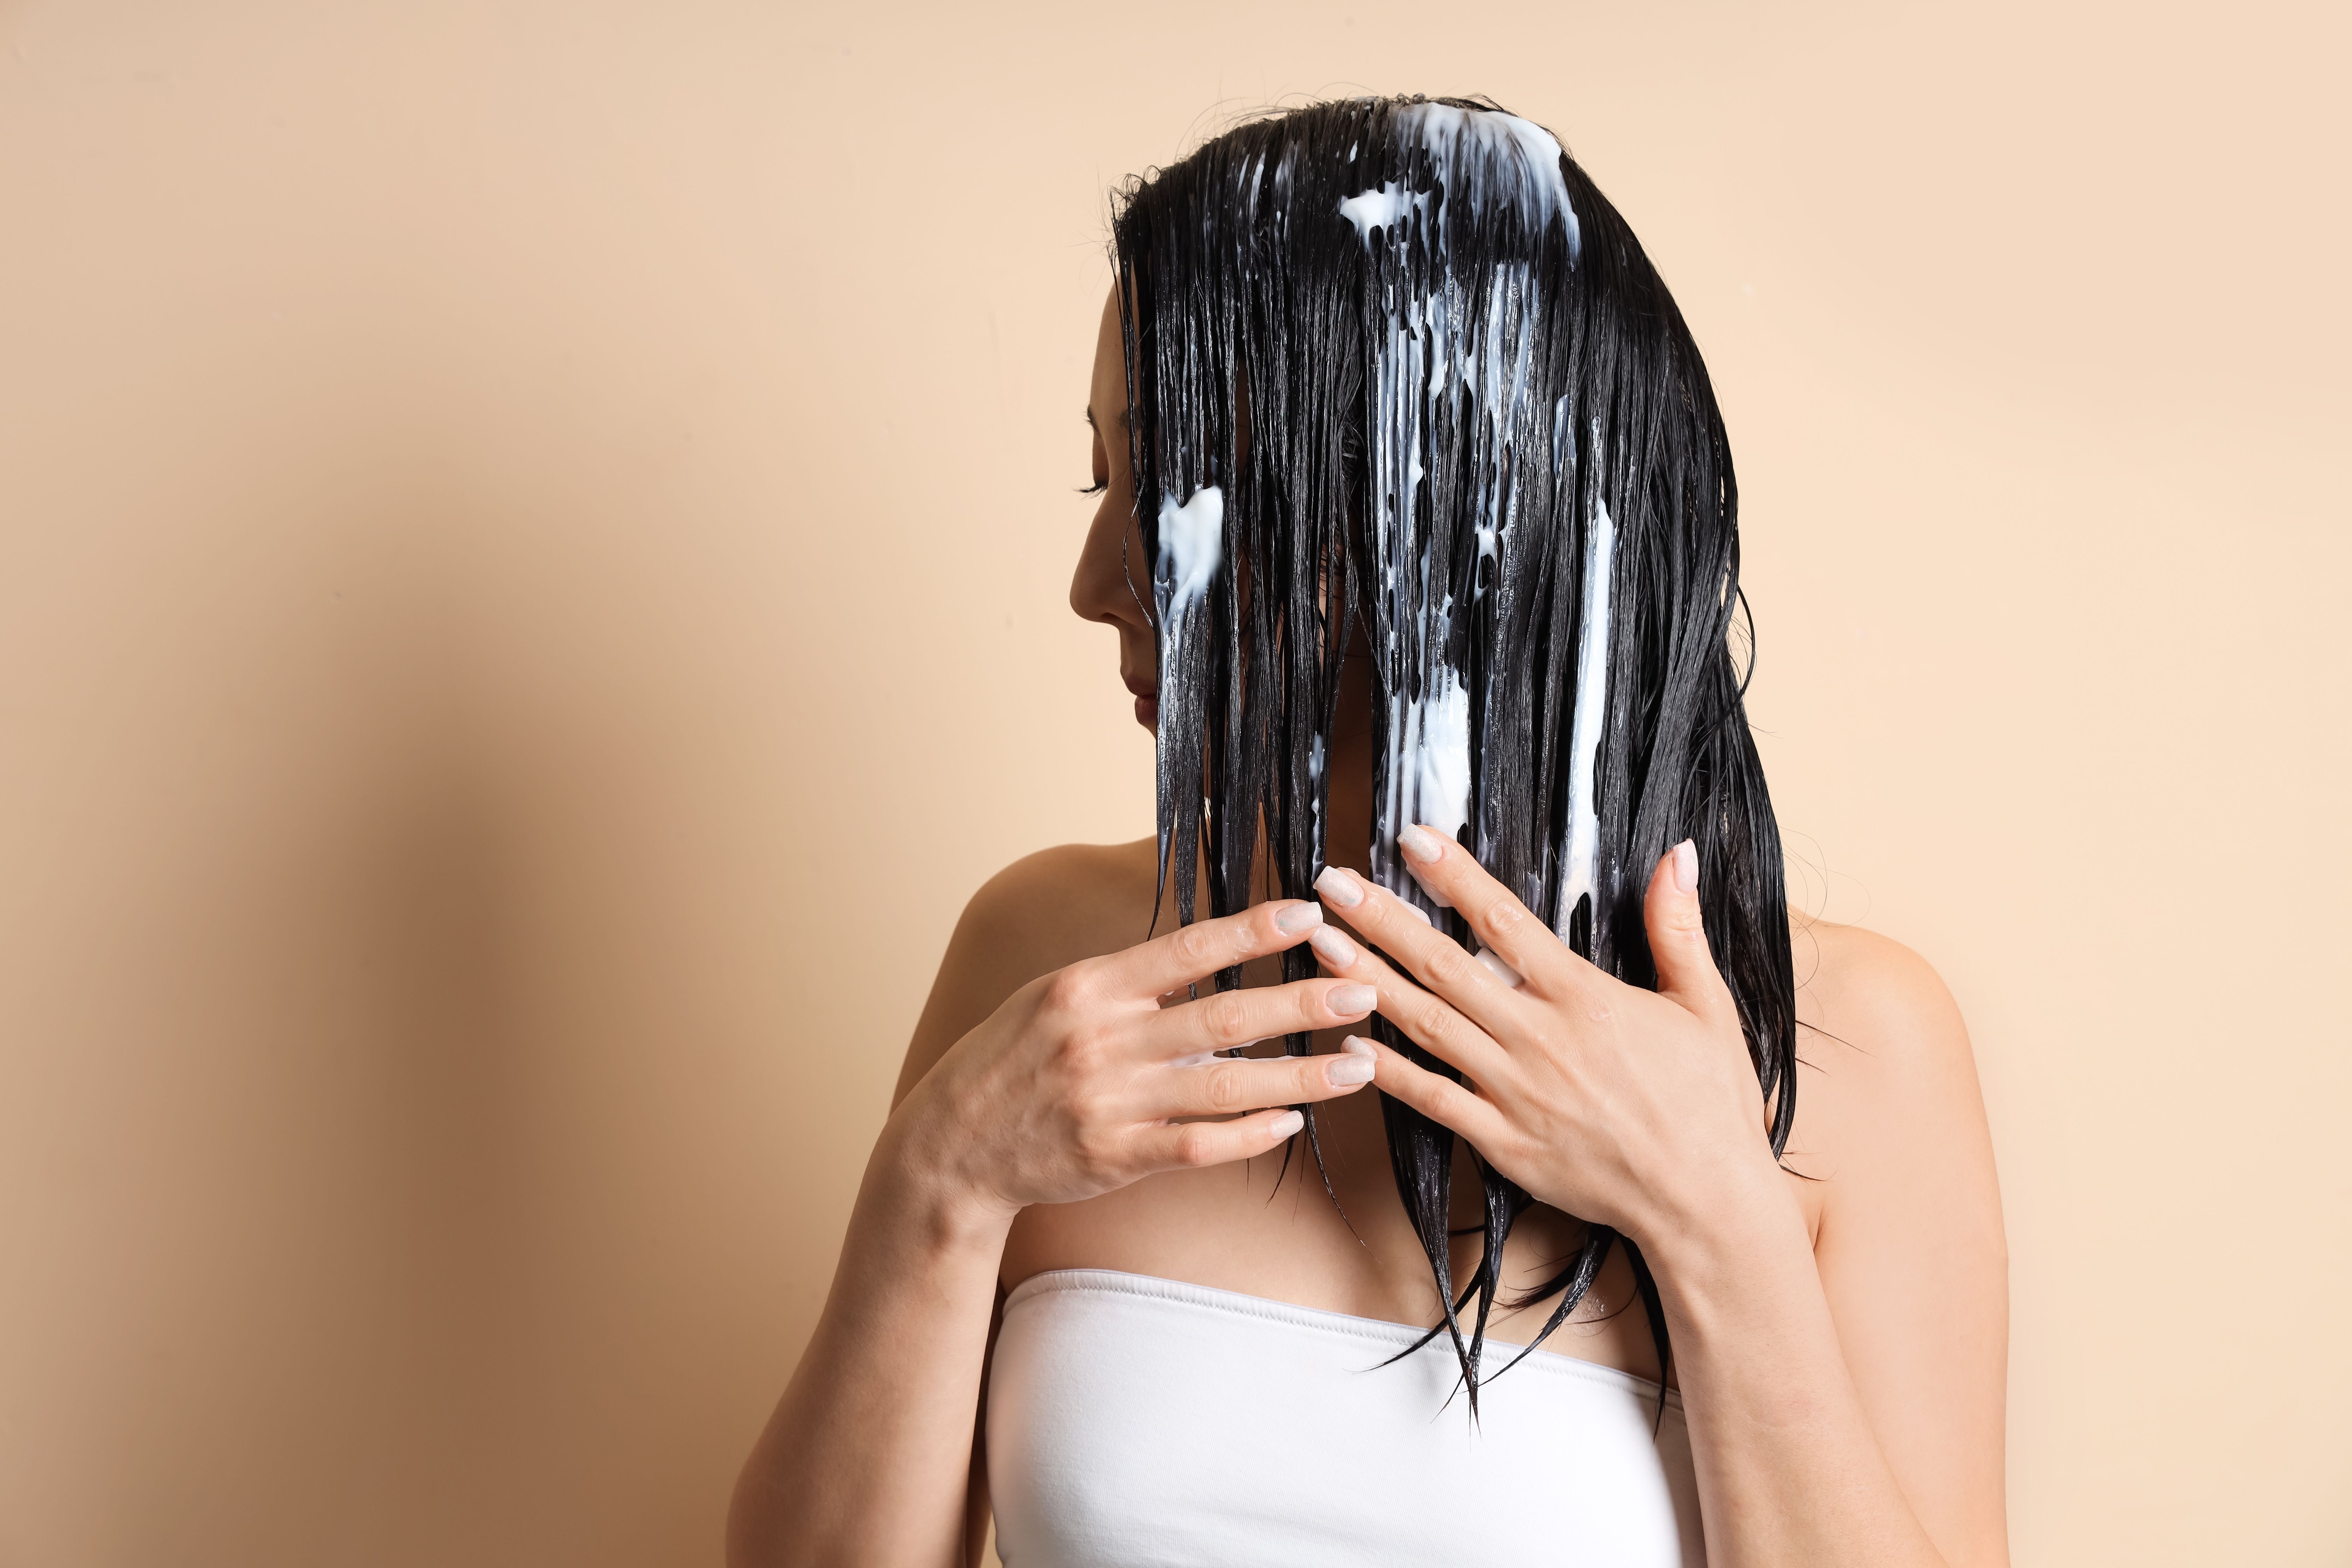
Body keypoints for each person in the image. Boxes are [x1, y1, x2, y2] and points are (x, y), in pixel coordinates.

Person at [729, 96, 2007, 1568]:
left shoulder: (1857, 1051)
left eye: (1169, 484)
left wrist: (1717, 1219)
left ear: (1431, 510)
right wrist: (939, 1185)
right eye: (1105, 480)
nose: (1096, 579)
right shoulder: (1048, 962)